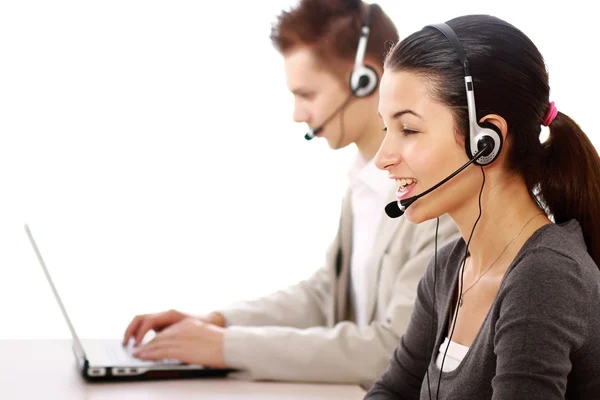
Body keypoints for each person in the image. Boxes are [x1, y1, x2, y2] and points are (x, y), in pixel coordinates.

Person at [121, 0, 459, 389]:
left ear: (365, 81)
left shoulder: (436, 199)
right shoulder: (364, 183)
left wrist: (227, 347)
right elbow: (325, 295)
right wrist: (217, 323)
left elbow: (393, 348)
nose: (298, 114)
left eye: (307, 94)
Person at [365, 14, 600, 399]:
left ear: (485, 141)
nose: (382, 157)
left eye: (408, 129)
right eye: (385, 129)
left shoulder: (546, 278)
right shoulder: (447, 270)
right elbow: (392, 390)